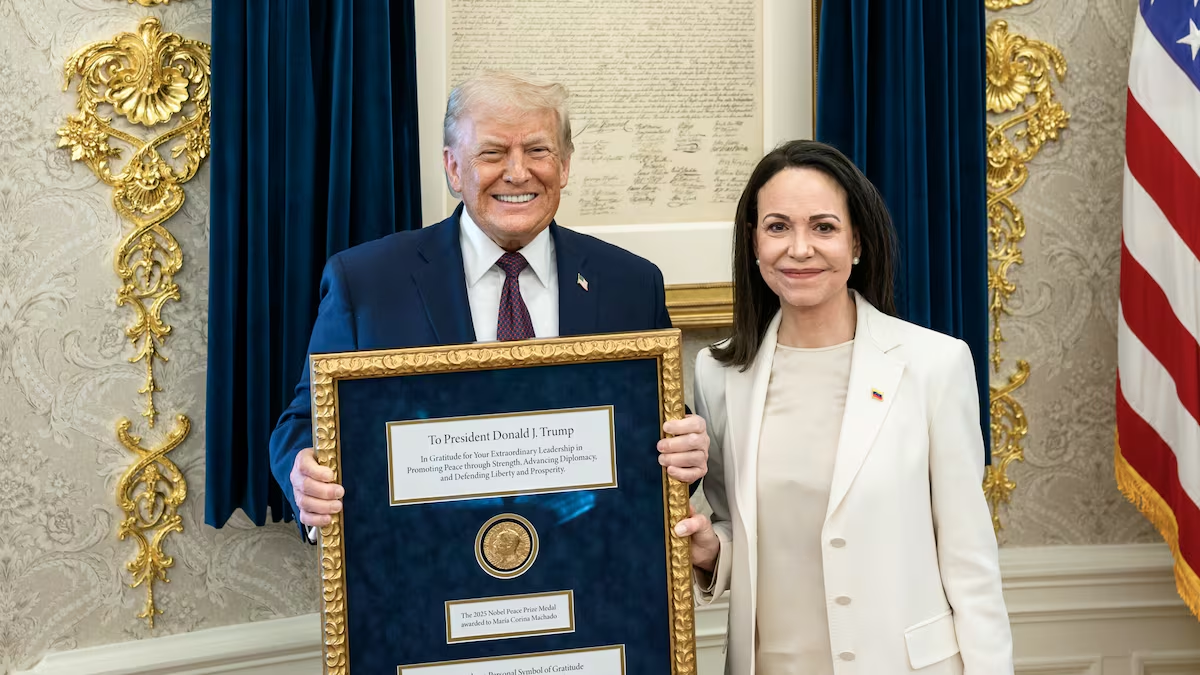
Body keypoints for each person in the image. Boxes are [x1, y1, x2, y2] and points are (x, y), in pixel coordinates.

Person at [269, 71, 709, 539]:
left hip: (587, 567)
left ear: (564, 165)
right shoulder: (366, 282)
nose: (518, 173)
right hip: (424, 569)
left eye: (537, 151)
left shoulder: (630, 283)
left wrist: (687, 454)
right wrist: (304, 473)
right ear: (454, 168)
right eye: (493, 153)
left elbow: (660, 430)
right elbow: (304, 423)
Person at [677, 140, 1012, 674]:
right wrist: (710, 552)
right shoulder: (718, 374)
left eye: (824, 227)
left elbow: (969, 560)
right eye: (778, 227)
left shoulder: (935, 364)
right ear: (754, 243)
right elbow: (737, 528)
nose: (800, 249)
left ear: (857, 242)